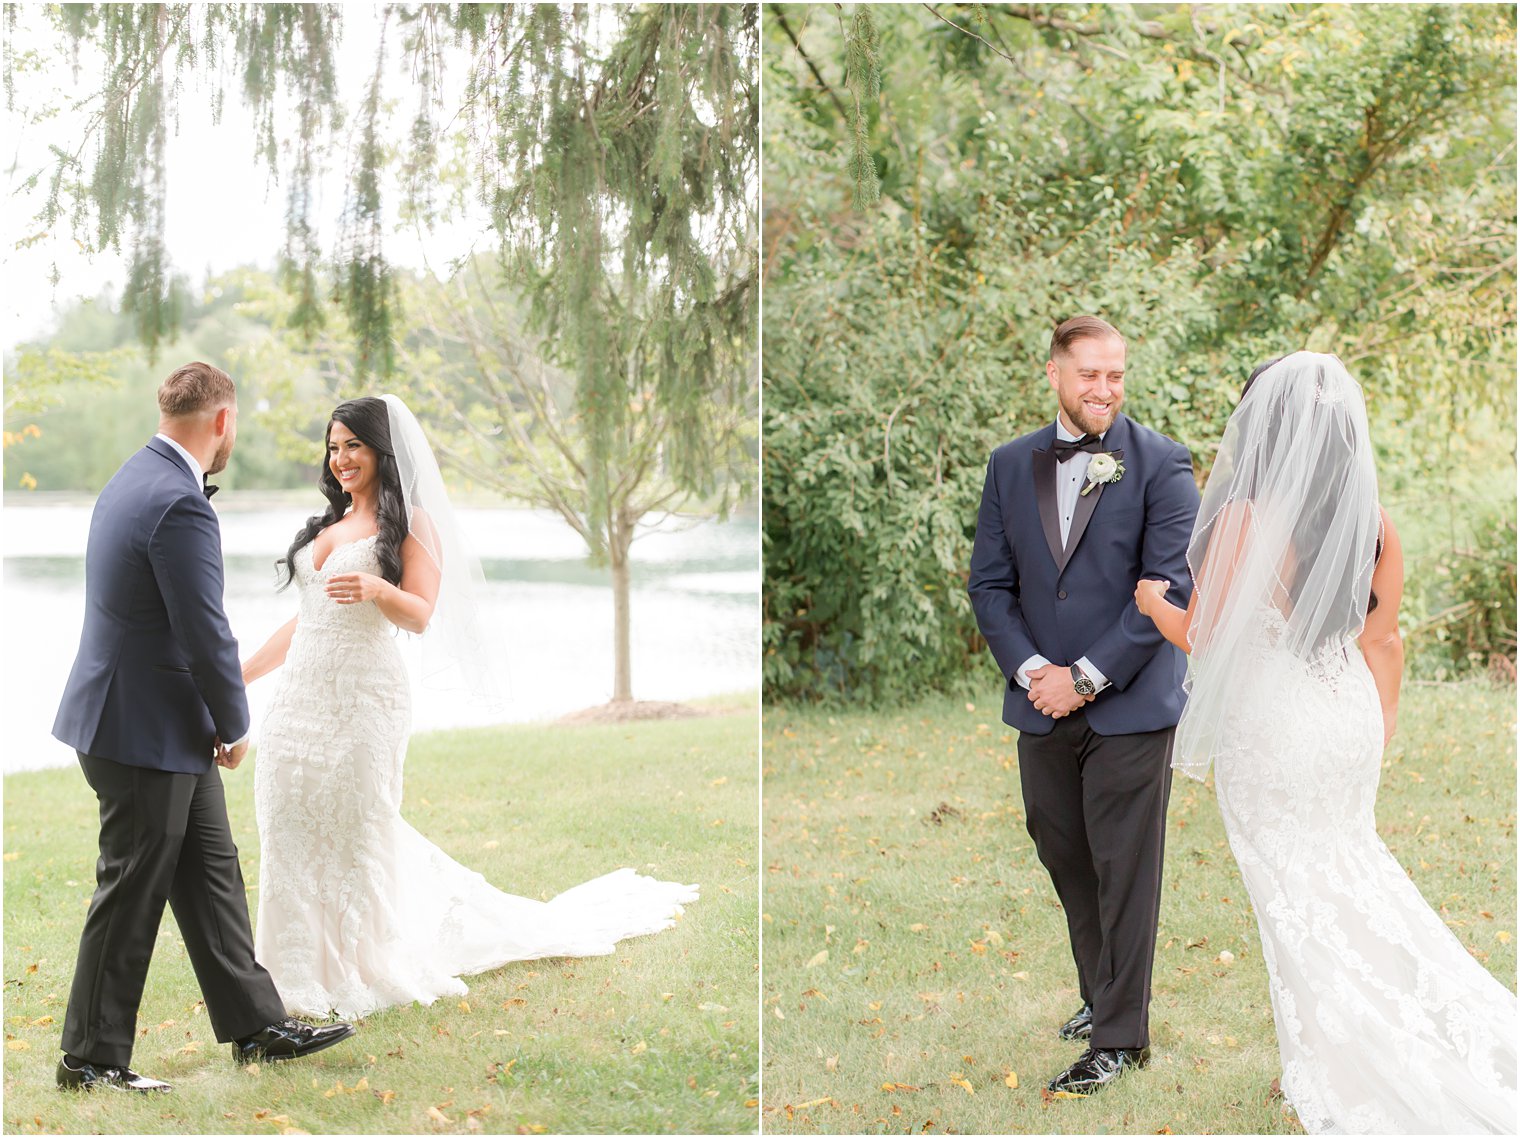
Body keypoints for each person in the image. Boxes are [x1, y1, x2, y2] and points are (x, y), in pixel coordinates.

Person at [1134, 351, 1517, 1133]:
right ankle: (1327, 1045)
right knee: (1351, 875)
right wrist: (1377, 733)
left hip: (1274, 722)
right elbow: (1385, 642)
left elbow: (1207, 636)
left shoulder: (1245, 517)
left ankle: (1339, 1060)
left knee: (1292, 894)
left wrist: (1151, 605)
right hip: (1346, 717)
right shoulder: (1372, 522)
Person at [242, 395, 698, 1019]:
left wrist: (379, 587)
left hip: (362, 701)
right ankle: (291, 972)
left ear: (381, 450)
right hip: (298, 704)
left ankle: (359, 966)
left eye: (353, 445)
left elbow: (422, 615)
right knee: (288, 826)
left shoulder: (412, 526)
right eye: (332, 446)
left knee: (356, 826)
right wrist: (239, 675)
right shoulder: (324, 529)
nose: (341, 458)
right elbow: (306, 620)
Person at [50, 363, 355, 1094]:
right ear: (221, 421)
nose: (234, 437)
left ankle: (258, 1027)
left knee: (212, 877)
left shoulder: (133, 475)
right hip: (139, 734)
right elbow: (204, 632)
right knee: (129, 893)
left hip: (155, 722)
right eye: (236, 425)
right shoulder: (180, 503)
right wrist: (235, 721)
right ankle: (89, 1061)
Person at [967, 316, 1200, 1095]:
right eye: (1089, 375)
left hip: (1131, 705)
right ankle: (1102, 991)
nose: (1105, 389)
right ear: (1054, 374)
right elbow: (990, 586)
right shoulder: (1009, 465)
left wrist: (1087, 677)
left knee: (1124, 865)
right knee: (1061, 846)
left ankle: (1120, 1038)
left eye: (1116, 375)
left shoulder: (1164, 464)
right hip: (1042, 702)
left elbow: (1171, 590)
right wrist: (1037, 671)